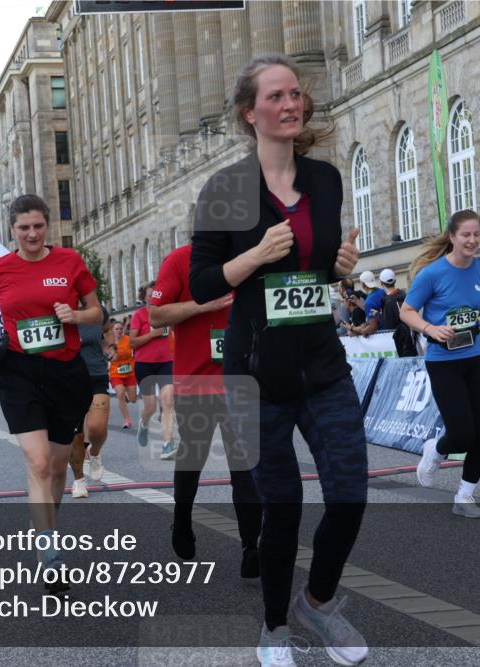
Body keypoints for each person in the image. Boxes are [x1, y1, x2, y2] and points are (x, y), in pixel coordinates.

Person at [190, 54, 368, 667]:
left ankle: (316, 604)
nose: (291, 104)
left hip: (321, 363)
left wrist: (339, 269)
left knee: (349, 495)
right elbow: (203, 280)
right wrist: (256, 255)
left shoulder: (325, 179)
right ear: (250, 112)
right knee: (283, 507)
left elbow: (319, 267)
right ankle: (273, 627)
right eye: (276, 97)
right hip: (255, 372)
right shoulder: (225, 190)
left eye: (296, 94)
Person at [0, 194, 100, 591]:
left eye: (38, 226)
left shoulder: (69, 262)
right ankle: (51, 555)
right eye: (23, 227)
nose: (32, 234)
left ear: (47, 226)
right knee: (40, 463)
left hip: (65, 372)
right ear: (12, 230)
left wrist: (76, 315)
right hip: (19, 372)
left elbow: (96, 311)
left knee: (60, 468)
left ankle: (46, 527)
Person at [148, 243, 263, 575]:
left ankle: (250, 547)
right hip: (195, 380)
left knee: (244, 466)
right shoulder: (180, 259)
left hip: (241, 379)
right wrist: (201, 304)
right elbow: (156, 315)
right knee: (193, 456)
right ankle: (182, 519)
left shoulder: (250, 255)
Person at [398, 209, 480, 519]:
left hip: (477, 356)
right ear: (452, 237)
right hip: (443, 360)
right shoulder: (432, 274)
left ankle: (465, 496)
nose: (472, 240)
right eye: (465, 234)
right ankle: (436, 449)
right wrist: (429, 328)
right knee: (462, 434)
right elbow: (407, 311)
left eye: (477, 234)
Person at [130, 283, 179, 459]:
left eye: (156, 294)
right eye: (150, 294)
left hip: (166, 362)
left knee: (168, 401)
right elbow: (132, 343)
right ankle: (144, 424)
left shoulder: (166, 313)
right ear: (144, 297)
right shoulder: (139, 315)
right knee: (150, 406)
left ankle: (167, 445)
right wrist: (152, 334)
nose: (153, 297)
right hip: (145, 364)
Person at [69, 306, 113, 498]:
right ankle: (78, 480)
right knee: (75, 435)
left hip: (96, 374)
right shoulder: (57, 311)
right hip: (67, 378)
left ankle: (94, 453)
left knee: (97, 427)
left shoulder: (98, 311)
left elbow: (108, 329)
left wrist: (109, 347)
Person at [108, 320, 138, 427]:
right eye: (116, 329)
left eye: (121, 329)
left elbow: (136, 350)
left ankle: (126, 398)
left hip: (130, 373)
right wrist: (111, 357)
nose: (119, 331)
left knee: (133, 399)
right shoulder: (110, 342)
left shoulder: (129, 339)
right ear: (113, 330)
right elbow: (108, 358)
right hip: (116, 373)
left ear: (123, 329)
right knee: (120, 394)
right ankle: (127, 420)